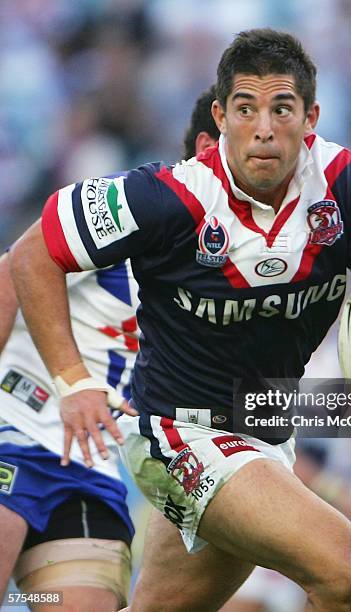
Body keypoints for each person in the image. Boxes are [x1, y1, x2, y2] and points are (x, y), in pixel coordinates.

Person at [10, 29, 351, 612]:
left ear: (310, 117)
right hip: (178, 437)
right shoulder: (168, 196)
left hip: (265, 438)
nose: (263, 128)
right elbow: (31, 254)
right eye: (245, 108)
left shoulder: (346, 186)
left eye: (282, 109)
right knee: (346, 569)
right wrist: (72, 380)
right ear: (220, 116)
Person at [0, 87, 219, 610]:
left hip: (90, 470)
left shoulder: (232, 267)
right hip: (13, 433)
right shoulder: (139, 209)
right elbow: (13, 272)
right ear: (210, 145)